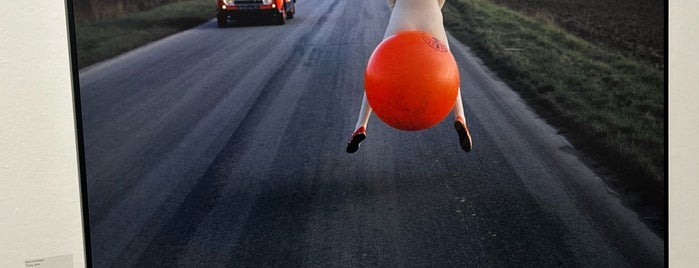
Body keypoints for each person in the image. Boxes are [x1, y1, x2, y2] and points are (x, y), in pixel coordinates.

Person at [346, 0, 473, 153]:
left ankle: (361, 125)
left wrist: (399, 8)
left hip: (402, 15)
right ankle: (460, 118)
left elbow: (391, 1)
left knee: (378, 68)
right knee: (449, 69)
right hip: (431, 15)